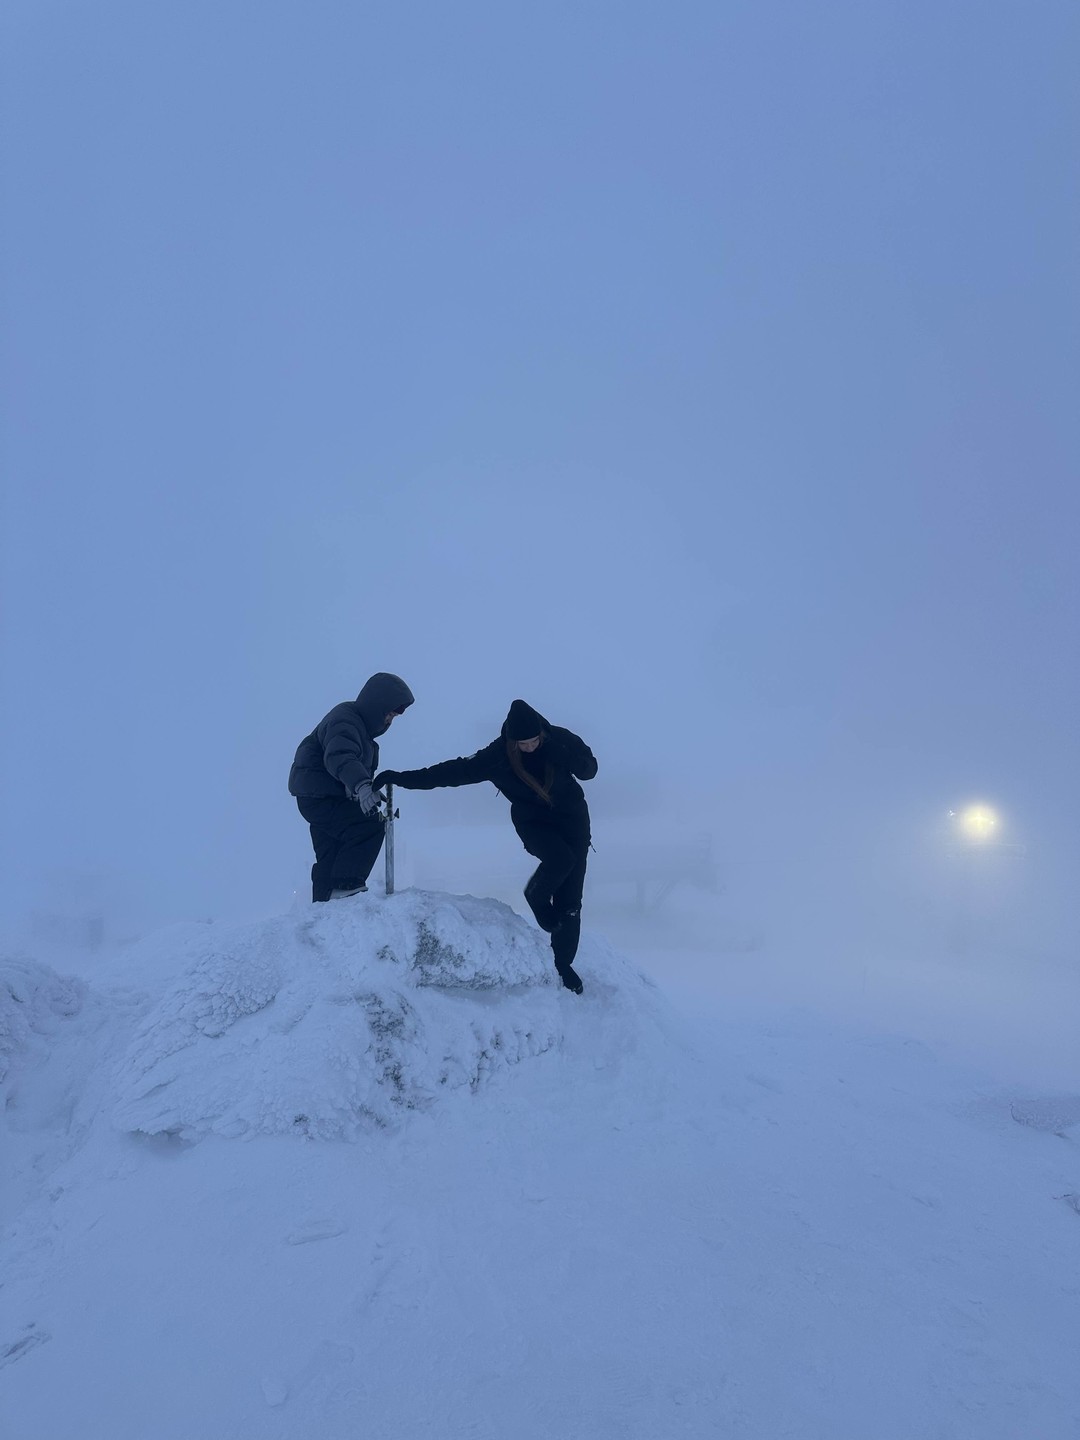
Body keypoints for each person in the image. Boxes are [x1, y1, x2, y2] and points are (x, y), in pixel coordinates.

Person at [375, 699, 597, 994]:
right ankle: (536, 894)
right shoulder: (497, 756)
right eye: (523, 743)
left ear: (541, 733)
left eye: (534, 741)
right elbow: (451, 773)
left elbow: (589, 770)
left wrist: (562, 753)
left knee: (571, 902)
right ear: (511, 740)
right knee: (560, 859)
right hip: (534, 824)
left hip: (573, 821)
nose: (530, 747)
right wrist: (401, 778)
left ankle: (562, 965)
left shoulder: (558, 738)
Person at [289, 672, 414, 902]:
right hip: (320, 797)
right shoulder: (345, 721)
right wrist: (362, 786)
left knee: (332, 850)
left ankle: (324, 902)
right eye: (388, 714)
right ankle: (346, 886)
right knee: (370, 825)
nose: (389, 721)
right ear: (377, 705)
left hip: (317, 796)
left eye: (393, 717)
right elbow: (340, 756)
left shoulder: (362, 732)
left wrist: (358, 791)